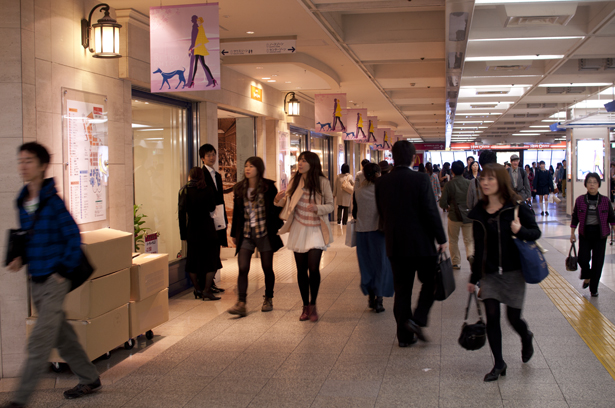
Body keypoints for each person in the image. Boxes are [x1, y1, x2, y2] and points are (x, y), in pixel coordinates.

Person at [6, 142, 101, 407]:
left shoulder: (53, 202)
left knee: (39, 341)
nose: (23, 166)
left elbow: (73, 236)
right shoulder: (23, 200)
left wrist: (62, 270)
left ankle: (19, 401)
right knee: (61, 334)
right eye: (20, 160)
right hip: (36, 279)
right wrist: (20, 256)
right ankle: (90, 377)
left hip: (54, 279)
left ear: (42, 165)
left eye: (29, 161)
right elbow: (32, 237)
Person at [467, 163, 541, 382]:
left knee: (513, 318)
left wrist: (521, 231)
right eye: (483, 179)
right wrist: (474, 277)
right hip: (489, 273)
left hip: (513, 271)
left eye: (490, 179)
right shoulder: (479, 211)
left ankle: (526, 336)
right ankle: (499, 363)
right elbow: (478, 248)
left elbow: (535, 232)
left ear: (501, 181)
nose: (485, 183)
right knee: (492, 316)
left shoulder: (516, 206)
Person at [376, 141, 448, 347]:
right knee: (431, 281)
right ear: (413, 158)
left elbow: (383, 213)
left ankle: (404, 338)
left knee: (402, 290)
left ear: (393, 156)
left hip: (395, 244)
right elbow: (430, 211)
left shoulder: (382, 182)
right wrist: (441, 239)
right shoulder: (421, 179)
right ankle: (418, 319)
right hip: (422, 244)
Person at [274, 151, 334, 322]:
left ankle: (313, 304)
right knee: (301, 270)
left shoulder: (322, 182)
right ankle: (305, 305)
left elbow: (330, 205)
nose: (300, 163)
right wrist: (277, 200)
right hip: (299, 229)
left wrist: (318, 208)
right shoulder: (295, 180)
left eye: (304, 161)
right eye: (299, 160)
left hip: (316, 230)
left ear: (312, 163)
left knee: (313, 268)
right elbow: (286, 202)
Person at [227, 157, 284, 316]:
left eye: (251, 166)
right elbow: (237, 214)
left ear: (259, 169)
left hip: (264, 232)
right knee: (243, 267)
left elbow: (275, 211)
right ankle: (241, 302)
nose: (248, 169)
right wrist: (233, 234)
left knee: (267, 268)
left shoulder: (268, 187)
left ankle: (268, 297)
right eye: (246, 166)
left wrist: (278, 202)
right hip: (246, 233)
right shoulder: (239, 188)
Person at [353, 163, 394, 313]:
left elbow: (354, 211)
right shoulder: (384, 190)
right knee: (381, 266)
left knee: (366, 265)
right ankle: (379, 300)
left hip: (362, 232)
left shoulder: (358, 192)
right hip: (379, 232)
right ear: (378, 174)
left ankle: (370, 296)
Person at [178, 167, 222, 301]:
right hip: (207, 229)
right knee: (212, 260)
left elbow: (181, 214)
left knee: (193, 260)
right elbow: (212, 208)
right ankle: (207, 290)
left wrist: (183, 234)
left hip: (192, 229)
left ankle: (197, 289)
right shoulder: (207, 189)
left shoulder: (184, 190)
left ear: (190, 176)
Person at [571, 173, 615, 297]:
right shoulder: (580, 200)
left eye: (595, 182)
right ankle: (587, 275)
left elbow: (612, 218)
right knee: (582, 258)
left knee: (598, 262)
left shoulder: (605, 200)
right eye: (589, 182)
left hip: (600, 235)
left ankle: (594, 288)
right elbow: (575, 217)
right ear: (585, 184)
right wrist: (572, 233)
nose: (592, 184)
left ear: (598, 185)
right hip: (585, 233)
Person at [200, 143, 227, 293]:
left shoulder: (217, 175)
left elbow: (221, 199)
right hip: (207, 219)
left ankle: (212, 282)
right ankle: (206, 284)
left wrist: (224, 220)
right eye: (208, 155)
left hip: (218, 218)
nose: (212, 157)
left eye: (213, 154)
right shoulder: (201, 174)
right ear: (202, 158)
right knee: (209, 252)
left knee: (216, 250)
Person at [439, 161, 473, 269]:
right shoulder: (469, 183)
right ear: (464, 170)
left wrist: (449, 207)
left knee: (453, 240)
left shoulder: (449, 184)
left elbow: (442, 203)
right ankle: (470, 255)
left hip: (454, 216)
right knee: (468, 240)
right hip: (468, 216)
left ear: (452, 171)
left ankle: (456, 262)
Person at [188, 17, 217, 88]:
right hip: (198, 49)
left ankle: (192, 81)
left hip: (199, 49)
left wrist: (192, 49)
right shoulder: (199, 28)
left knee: (199, 64)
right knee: (201, 64)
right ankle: (212, 80)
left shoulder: (201, 29)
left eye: (198, 21)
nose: (197, 22)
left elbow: (201, 42)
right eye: (197, 21)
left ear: (200, 22)